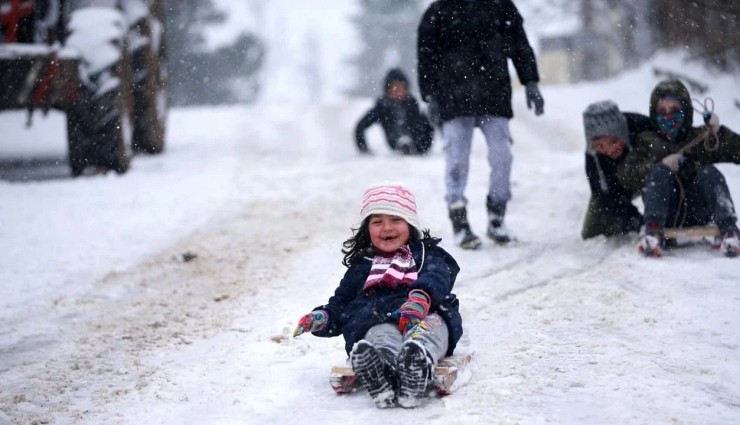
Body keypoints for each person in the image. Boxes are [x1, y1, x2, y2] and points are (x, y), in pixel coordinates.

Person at [293, 183, 463, 409]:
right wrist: (322, 318)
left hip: (424, 315)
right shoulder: (361, 267)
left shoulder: (425, 255)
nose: (387, 228)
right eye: (377, 222)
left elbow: (437, 275)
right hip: (378, 320)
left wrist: (420, 297)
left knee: (426, 334)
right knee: (380, 337)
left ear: (410, 224)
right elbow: (341, 304)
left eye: (395, 219)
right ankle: (381, 372)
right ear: (367, 229)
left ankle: (416, 366)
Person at [417, 0, 545, 250]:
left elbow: (519, 44)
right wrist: (429, 94)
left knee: (502, 155)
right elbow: (426, 54)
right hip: (452, 97)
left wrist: (530, 81)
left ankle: (497, 216)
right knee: (456, 160)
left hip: (494, 94)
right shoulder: (439, 11)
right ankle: (459, 220)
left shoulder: (500, 6)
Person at [616, 79, 740, 257]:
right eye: (662, 111)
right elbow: (625, 175)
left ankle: (729, 230)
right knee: (658, 172)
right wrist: (659, 165)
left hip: (697, 209)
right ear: (654, 113)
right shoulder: (647, 141)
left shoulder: (700, 137)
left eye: (674, 111)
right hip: (665, 212)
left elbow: (736, 150)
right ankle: (652, 233)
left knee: (709, 171)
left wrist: (718, 132)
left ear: (686, 111)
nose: (668, 116)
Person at [581, 101, 653, 239]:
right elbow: (602, 194)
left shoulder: (643, 128)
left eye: (613, 142)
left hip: (647, 176)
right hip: (617, 185)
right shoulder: (593, 156)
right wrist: (631, 219)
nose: (608, 150)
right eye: (599, 145)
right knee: (591, 232)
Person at [354, 68, 434, 156]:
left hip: (417, 145)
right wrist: (364, 150)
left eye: (401, 87)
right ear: (387, 90)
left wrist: (424, 147)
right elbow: (360, 126)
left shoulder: (413, 105)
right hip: (394, 141)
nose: (398, 91)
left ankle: (408, 143)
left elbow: (428, 128)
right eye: (394, 88)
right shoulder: (382, 107)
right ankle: (403, 142)